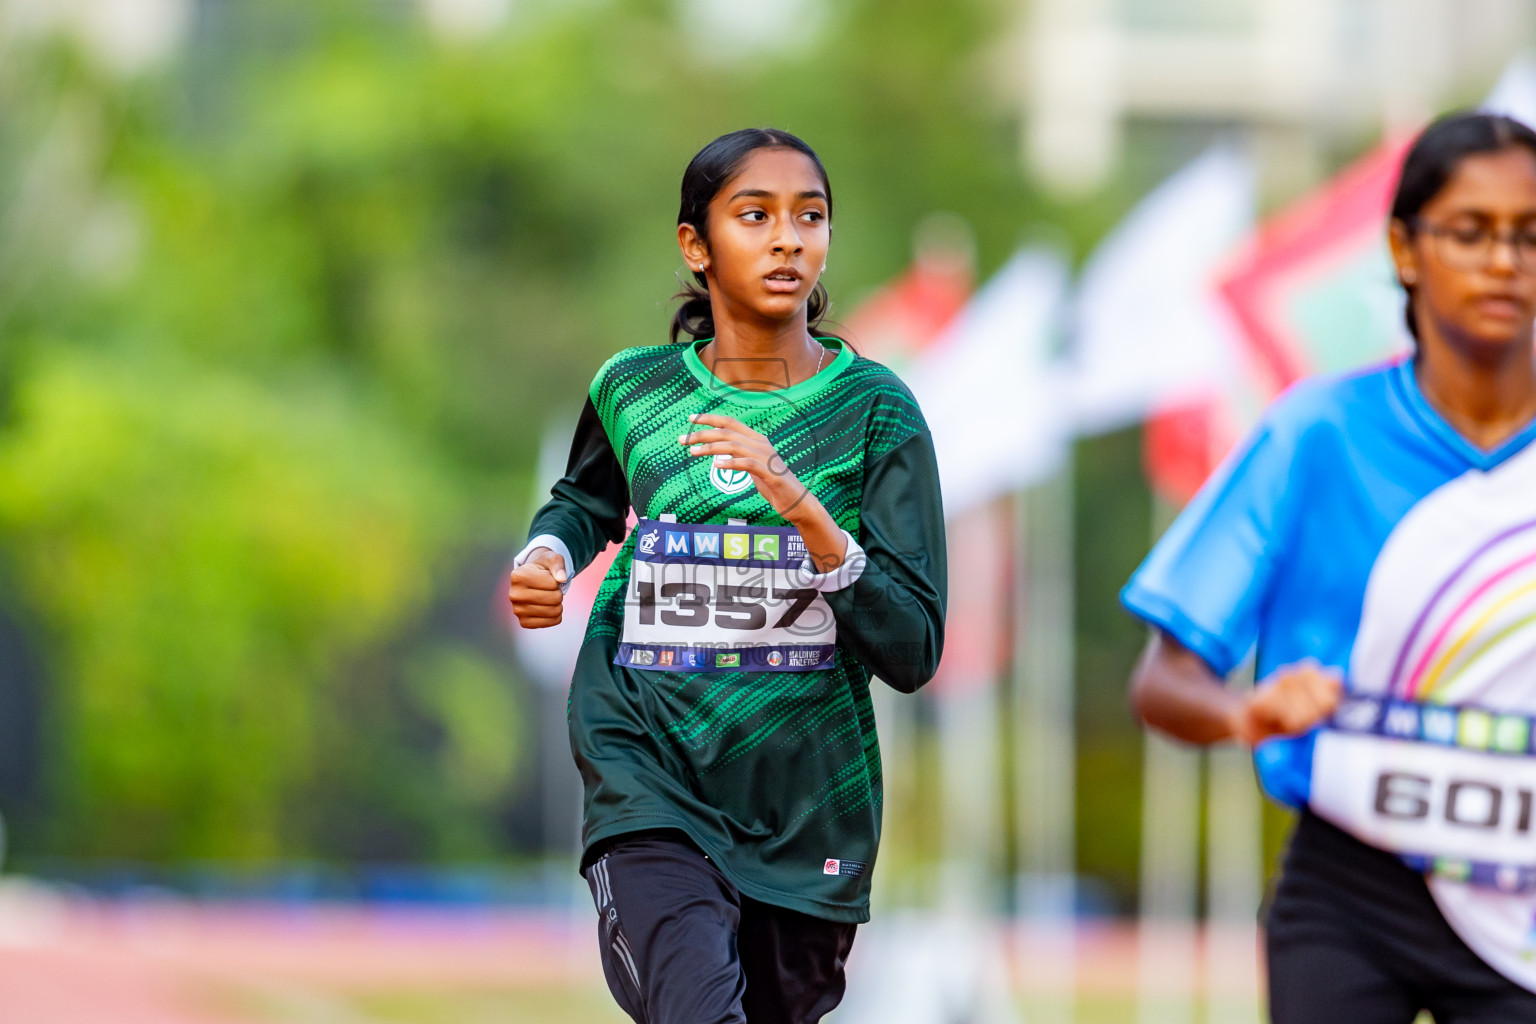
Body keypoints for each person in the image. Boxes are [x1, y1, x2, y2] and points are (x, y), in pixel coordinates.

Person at [507, 127, 946, 1024]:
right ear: (695, 245)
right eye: (756, 216)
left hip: (804, 810)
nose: (789, 238)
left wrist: (806, 512)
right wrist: (547, 554)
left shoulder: (876, 412)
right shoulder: (634, 390)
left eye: (809, 217)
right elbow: (583, 502)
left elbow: (913, 647)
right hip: (649, 773)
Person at [1123, 110, 1536, 1023]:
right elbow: (1163, 680)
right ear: (1405, 248)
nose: (1506, 261)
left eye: (1530, 235)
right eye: (1472, 232)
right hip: (1350, 890)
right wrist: (1246, 713)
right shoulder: (1318, 434)